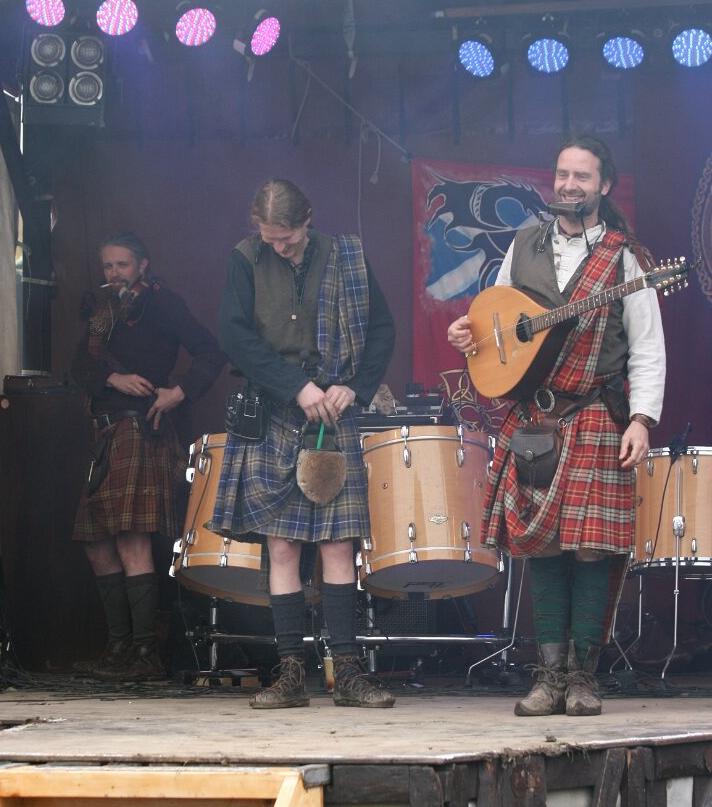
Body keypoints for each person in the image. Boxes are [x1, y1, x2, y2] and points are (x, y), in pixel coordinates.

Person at [448, 136, 666, 716]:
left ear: (604, 186)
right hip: (534, 416)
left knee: (592, 548)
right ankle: (549, 677)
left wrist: (641, 419)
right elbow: (490, 319)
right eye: (563, 174)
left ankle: (583, 678)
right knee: (539, 546)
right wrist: (466, 335)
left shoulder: (625, 257)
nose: (569, 185)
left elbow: (648, 347)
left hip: (594, 413)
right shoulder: (523, 244)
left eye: (582, 176)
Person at [211, 178, 396, 709]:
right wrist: (294, 386)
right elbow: (234, 336)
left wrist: (354, 387)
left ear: (308, 219)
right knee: (283, 547)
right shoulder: (245, 258)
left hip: (333, 415)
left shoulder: (347, 256)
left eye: (287, 238)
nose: (278, 247)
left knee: (338, 545)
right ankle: (290, 672)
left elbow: (381, 329)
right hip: (273, 412)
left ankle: (349, 673)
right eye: (269, 238)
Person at [72, 231, 225, 679]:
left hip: (139, 432)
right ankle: (118, 649)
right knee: (96, 544)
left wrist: (180, 391)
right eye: (107, 266)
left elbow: (211, 351)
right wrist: (112, 379)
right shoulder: (103, 313)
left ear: (142, 265)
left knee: (131, 539)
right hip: (105, 436)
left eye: (122, 264)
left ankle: (145, 655)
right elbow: (78, 367)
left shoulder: (163, 304)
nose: (114, 273)